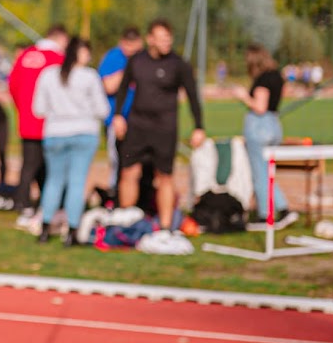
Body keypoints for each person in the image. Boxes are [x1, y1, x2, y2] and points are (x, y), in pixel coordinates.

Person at [111, 18, 206, 231]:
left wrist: (199, 127)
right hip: (137, 126)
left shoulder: (178, 64)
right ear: (150, 39)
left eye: (169, 38)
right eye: (161, 38)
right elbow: (123, 89)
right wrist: (118, 116)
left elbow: (192, 97)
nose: (166, 42)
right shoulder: (137, 60)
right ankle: (127, 222)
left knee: (164, 176)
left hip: (165, 128)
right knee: (129, 172)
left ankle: (165, 227)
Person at [32, 37, 109, 246]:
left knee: (53, 181)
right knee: (77, 182)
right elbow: (103, 109)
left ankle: (45, 229)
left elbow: (38, 108)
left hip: (55, 132)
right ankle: (72, 231)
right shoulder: (89, 76)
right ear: (80, 53)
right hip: (84, 132)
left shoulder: (48, 75)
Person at [7, 25, 69, 214]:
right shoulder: (58, 59)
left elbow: (13, 84)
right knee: (48, 164)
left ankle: (28, 200)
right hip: (49, 121)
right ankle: (26, 201)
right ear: (60, 38)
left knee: (30, 163)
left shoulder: (26, 55)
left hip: (27, 118)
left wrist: (22, 109)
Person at [235, 43, 297, 228]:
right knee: (267, 171)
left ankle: (269, 213)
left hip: (259, 126)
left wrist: (243, 96)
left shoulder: (262, 79)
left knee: (260, 173)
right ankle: (280, 210)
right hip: (274, 125)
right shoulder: (277, 76)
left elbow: (260, 107)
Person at [97, 27, 144, 181]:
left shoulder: (146, 58)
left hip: (143, 119)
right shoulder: (114, 57)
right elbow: (108, 87)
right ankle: (115, 194)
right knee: (117, 161)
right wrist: (129, 69)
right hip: (117, 119)